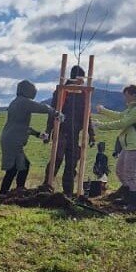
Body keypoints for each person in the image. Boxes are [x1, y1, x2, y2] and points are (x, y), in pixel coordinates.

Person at [95, 84, 136, 212]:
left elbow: (122, 123)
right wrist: (103, 110)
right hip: (127, 146)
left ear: (133, 95)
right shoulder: (132, 108)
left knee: (130, 174)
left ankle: (134, 203)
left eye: (126, 96)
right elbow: (120, 116)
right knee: (120, 171)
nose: (125, 99)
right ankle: (127, 196)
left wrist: (100, 125)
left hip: (134, 146)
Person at [0, 80, 58, 196]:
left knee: (17, 167)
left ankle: (8, 192)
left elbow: (22, 126)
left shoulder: (16, 102)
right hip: (13, 140)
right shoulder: (23, 102)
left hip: (9, 138)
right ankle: (15, 191)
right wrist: (55, 113)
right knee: (20, 166)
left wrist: (37, 134)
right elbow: (41, 107)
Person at [45, 65, 96, 195]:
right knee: (57, 159)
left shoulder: (84, 93)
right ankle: (46, 188)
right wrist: (48, 130)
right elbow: (53, 111)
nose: (83, 81)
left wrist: (91, 134)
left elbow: (87, 114)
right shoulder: (62, 91)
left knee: (71, 163)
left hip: (75, 133)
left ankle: (68, 193)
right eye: (82, 78)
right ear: (76, 78)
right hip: (61, 131)